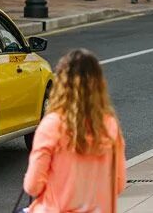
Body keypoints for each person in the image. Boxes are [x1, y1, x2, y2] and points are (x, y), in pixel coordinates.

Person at [23, 49, 126, 212]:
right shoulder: (110, 126)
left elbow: (32, 186)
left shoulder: (51, 125)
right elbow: (118, 184)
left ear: (62, 84)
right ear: (99, 84)